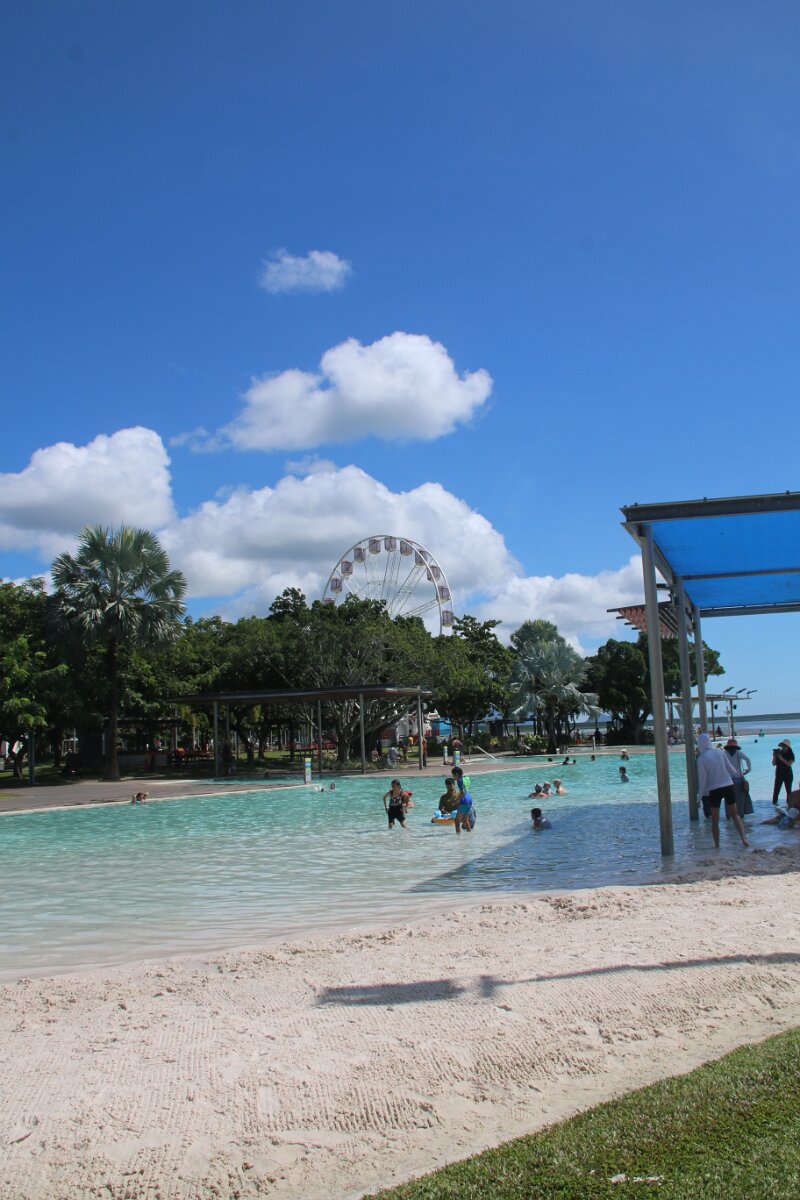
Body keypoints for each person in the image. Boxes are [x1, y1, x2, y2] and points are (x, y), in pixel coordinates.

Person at [696, 732, 748, 849]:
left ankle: (717, 846)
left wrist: (698, 799)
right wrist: (738, 774)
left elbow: (703, 781)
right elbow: (731, 769)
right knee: (735, 815)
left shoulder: (701, 758)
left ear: (700, 744)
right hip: (728, 785)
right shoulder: (720, 752)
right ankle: (743, 838)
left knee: (715, 821)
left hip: (714, 790)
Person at [723, 737, 753, 817]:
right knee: (740, 798)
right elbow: (748, 759)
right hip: (739, 778)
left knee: (728, 798)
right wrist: (748, 769)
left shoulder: (724, 754)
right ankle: (740, 814)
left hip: (728, 779)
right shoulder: (739, 753)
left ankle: (729, 814)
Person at [772, 739, 795, 805]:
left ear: (788, 747)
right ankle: (774, 805)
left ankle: (789, 804)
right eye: (783, 745)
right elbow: (773, 764)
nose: (784, 747)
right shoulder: (778, 753)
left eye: (785, 746)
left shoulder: (791, 754)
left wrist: (781, 758)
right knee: (776, 791)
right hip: (779, 774)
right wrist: (774, 756)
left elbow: (789, 764)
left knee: (788, 790)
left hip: (788, 774)